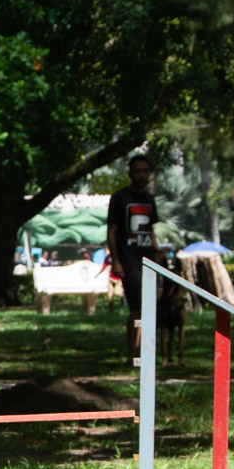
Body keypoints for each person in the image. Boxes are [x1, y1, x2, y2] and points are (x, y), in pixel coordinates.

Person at [107, 154, 159, 365]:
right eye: (137, 171)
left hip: (149, 260)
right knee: (137, 308)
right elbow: (112, 231)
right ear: (129, 173)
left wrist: (158, 253)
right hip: (129, 261)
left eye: (144, 171)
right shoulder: (119, 198)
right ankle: (133, 354)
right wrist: (115, 261)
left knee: (152, 307)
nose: (141, 175)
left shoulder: (149, 199)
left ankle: (147, 351)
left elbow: (151, 230)